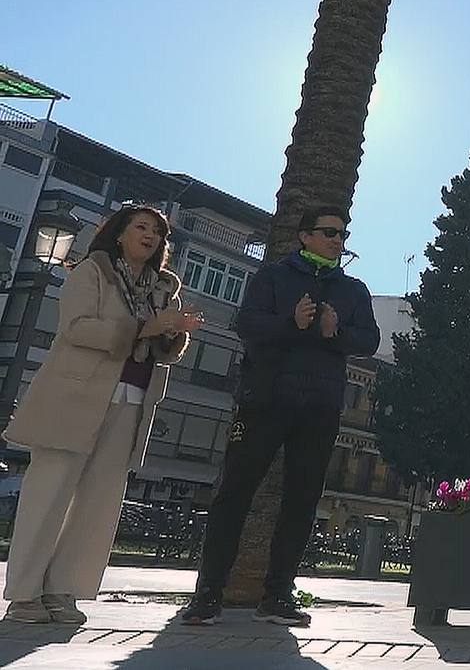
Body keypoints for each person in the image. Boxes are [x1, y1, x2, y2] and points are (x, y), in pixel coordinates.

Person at [3, 205, 201, 624]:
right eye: (141, 227)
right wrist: (143, 328)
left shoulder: (162, 288)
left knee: (98, 503)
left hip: (131, 400)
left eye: (157, 232)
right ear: (119, 233)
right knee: (48, 495)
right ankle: (23, 595)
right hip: (75, 396)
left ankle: (63, 591)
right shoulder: (92, 271)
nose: (150, 236)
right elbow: (76, 328)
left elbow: (163, 350)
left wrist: (174, 332)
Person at [181, 207, 379, 627]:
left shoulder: (353, 289)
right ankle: (208, 594)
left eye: (342, 235)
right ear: (305, 236)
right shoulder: (273, 277)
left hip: (320, 408)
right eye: (329, 232)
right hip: (266, 402)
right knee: (234, 494)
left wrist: (336, 332)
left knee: (302, 502)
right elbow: (246, 324)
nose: (337, 241)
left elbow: (369, 339)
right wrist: (292, 323)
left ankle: (278, 596)